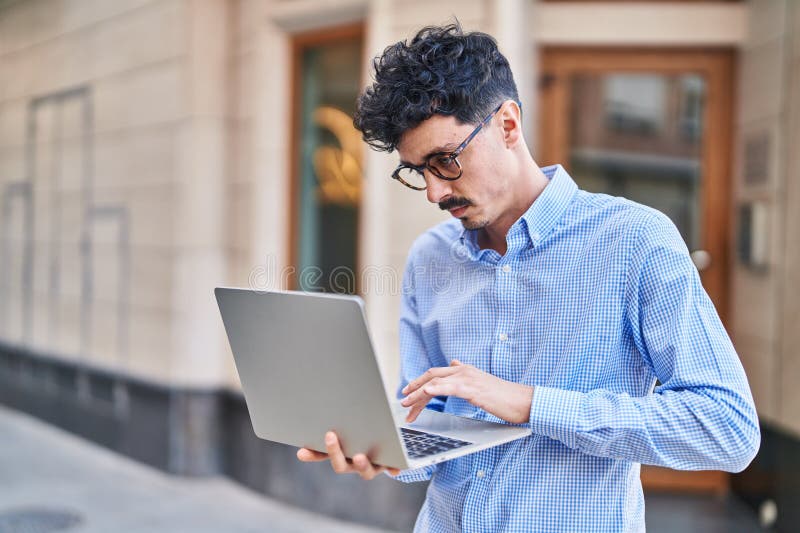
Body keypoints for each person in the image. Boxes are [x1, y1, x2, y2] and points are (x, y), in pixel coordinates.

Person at [297, 23, 760, 532]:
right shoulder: (430, 257)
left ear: (508, 125)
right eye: (416, 171)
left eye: (444, 160)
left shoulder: (635, 241)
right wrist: (379, 446)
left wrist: (530, 403)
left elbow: (726, 428)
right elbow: (426, 417)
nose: (433, 192)